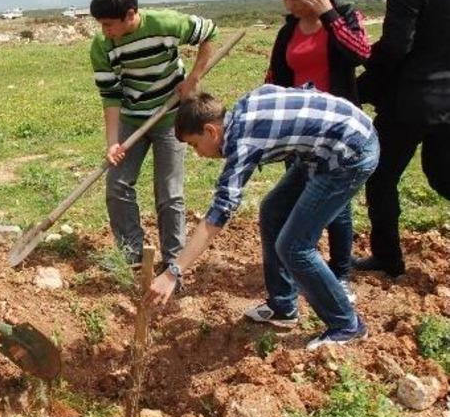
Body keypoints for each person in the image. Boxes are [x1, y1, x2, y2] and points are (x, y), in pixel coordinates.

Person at [143, 85, 378, 350]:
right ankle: (283, 305)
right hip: (322, 149)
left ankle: (347, 325)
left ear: (211, 130)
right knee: (273, 210)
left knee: (294, 246)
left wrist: (174, 271)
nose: (199, 154)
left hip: (349, 154)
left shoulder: (243, 142)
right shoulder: (242, 109)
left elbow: (218, 214)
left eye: (196, 145)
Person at [89, 0, 217, 269]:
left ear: (131, 14)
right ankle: (132, 254)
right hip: (132, 119)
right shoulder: (102, 46)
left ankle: (174, 262)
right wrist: (113, 142)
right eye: (101, 25)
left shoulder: (166, 24)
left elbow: (210, 32)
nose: (105, 31)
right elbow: (111, 96)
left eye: (109, 24)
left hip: (170, 118)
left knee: (169, 193)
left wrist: (194, 79)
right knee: (117, 185)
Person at [265, 0, 372, 300]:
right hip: (300, 132)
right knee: (295, 201)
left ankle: (340, 273)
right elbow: (276, 78)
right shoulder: (288, 31)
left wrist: (328, 15)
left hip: (338, 134)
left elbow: (360, 53)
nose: (290, 5)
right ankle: (299, 271)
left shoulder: (343, 17)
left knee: (336, 207)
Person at [355, 0, 450, 277]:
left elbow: (397, 46)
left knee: (380, 176)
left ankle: (387, 258)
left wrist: (363, 78)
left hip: (410, 101)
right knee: (442, 176)